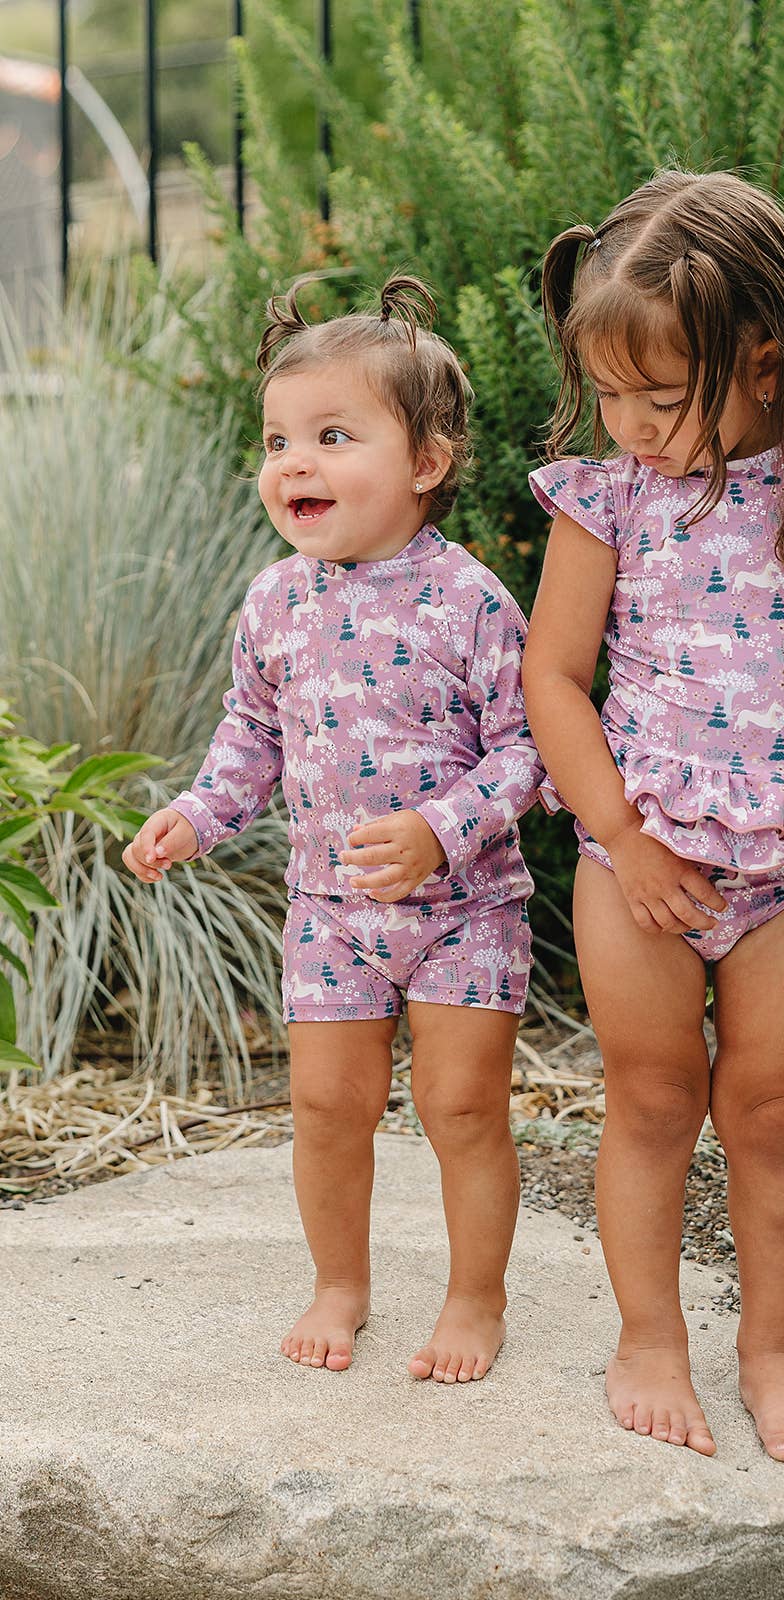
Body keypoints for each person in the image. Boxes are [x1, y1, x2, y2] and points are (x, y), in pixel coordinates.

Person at [522, 170, 784, 1461]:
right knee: (650, 1100)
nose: (631, 424)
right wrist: (624, 834)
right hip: (635, 863)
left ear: (761, 359)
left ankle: (770, 1349)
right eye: (606, 393)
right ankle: (647, 1337)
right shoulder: (608, 500)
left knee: (767, 1112)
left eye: (661, 396)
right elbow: (553, 677)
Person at [123, 275, 543, 1385]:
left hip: (465, 912)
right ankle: (340, 1283)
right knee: (325, 1105)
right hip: (328, 913)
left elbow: (531, 751)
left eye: (331, 435)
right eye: (276, 438)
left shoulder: (472, 602)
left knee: (460, 1108)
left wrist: (441, 829)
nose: (292, 462)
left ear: (426, 463)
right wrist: (194, 815)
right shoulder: (272, 604)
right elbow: (249, 737)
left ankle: (473, 1298)